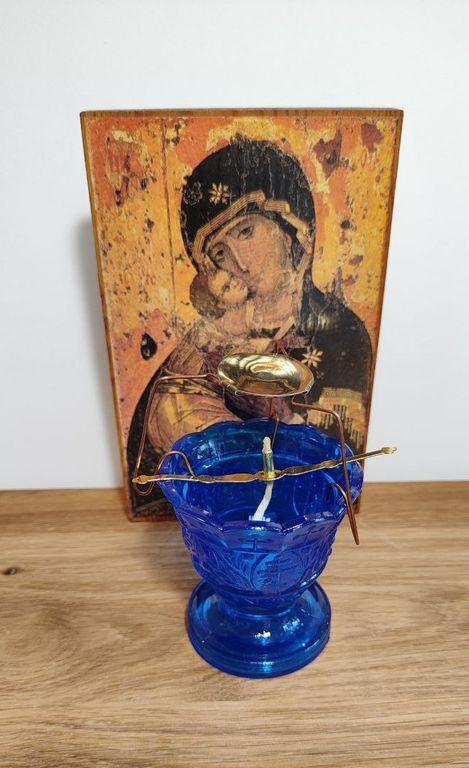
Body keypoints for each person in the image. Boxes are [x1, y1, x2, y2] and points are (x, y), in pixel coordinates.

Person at [127, 137, 371, 517]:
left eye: (245, 232)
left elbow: (335, 461)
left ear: (291, 229)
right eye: (220, 252)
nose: (239, 263)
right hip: (224, 517)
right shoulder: (206, 341)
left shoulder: (340, 334)